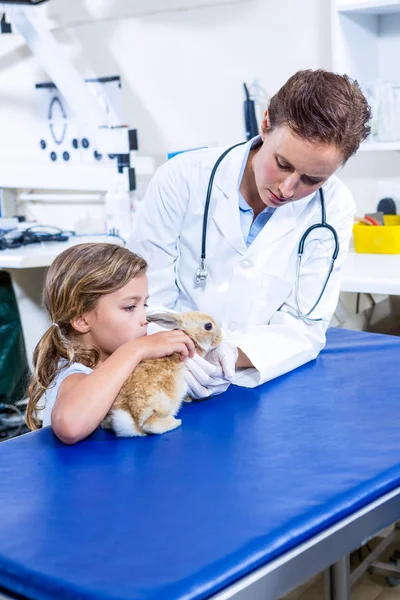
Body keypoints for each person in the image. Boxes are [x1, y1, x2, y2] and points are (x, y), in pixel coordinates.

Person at [128, 69, 371, 398]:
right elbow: (143, 300)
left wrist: (227, 355)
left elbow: (306, 326)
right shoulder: (182, 179)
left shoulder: (334, 206)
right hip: (165, 377)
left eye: (312, 180)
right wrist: (182, 354)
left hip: (259, 386)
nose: (288, 189)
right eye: (283, 163)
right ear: (266, 124)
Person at [25, 243, 195, 444]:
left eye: (145, 304)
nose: (145, 318)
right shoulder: (73, 372)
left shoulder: (115, 360)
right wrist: (136, 349)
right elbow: (69, 425)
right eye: (130, 307)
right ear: (81, 319)